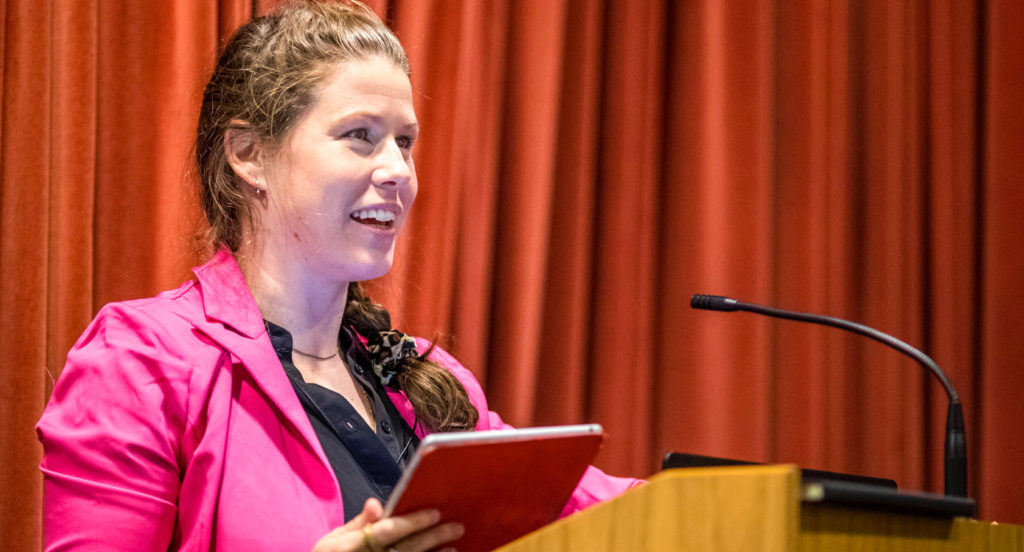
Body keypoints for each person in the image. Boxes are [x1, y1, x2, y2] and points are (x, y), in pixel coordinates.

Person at [35, 1, 641, 551]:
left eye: (404, 142)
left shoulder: (430, 385)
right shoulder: (140, 360)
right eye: (360, 136)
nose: (397, 170)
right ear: (248, 155)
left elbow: (620, 511)